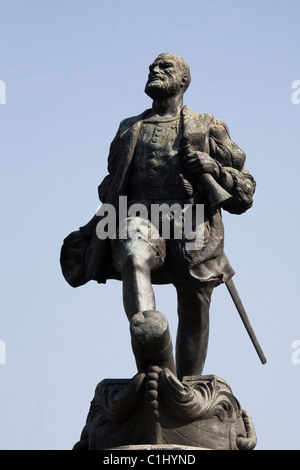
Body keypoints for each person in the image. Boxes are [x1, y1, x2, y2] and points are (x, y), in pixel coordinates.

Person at [60, 53, 256, 381]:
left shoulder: (208, 126)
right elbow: (111, 184)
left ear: (183, 81)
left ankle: (187, 388)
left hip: (192, 225)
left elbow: (245, 191)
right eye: (152, 66)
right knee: (132, 251)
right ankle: (152, 348)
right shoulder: (128, 129)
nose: (154, 70)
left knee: (194, 301)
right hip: (139, 218)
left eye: (165, 67)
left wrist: (214, 169)